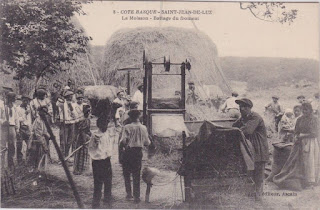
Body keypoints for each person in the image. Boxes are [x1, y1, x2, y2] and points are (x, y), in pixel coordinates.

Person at [273, 102, 319, 190]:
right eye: (303, 110)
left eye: (306, 110)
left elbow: (315, 133)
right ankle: (303, 180)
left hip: (310, 142)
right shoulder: (299, 119)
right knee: (300, 161)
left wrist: (304, 135)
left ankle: (311, 181)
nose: (305, 112)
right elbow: (296, 130)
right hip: (300, 142)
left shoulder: (315, 119)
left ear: (310, 110)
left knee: (310, 161)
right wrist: (296, 136)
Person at [232, 98, 269, 200]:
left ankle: (259, 195)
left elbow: (247, 131)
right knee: (250, 170)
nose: (241, 109)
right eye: (240, 107)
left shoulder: (255, 117)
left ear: (249, 108)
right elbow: (233, 126)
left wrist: (236, 130)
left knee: (258, 171)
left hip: (258, 147)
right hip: (250, 147)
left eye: (244, 107)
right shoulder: (243, 118)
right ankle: (251, 194)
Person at [119, 110, 151, 203]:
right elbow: (147, 142)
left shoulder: (127, 127)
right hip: (138, 152)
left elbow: (123, 141)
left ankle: (129, 194)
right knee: (136, 173)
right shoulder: (143, 127)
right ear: (138, 117)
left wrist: (124, 146)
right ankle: (137, 197)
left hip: (128, 151)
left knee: (126, 173)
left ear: (130, 117)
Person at [88, 116, 113, 208]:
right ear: (99, 126)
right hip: (98, 161)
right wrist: (95, 142)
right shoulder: (95, 135)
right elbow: (91, 148)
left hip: (106, 160)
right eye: (103, 125)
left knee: (108, 181)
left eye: (106, 125)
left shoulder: (107, 134)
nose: (105, 127)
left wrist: (109, 155)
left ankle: (107, 199)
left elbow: (109, 146)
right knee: (98, 182)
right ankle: (96, 202)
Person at [73, 93, 91, 175]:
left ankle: (81, 169)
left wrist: (90, 134)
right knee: (82, 152)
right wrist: (84, 140)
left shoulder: (86, 119)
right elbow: (82, 131)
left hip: (85, 137)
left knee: (82, 153)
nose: (89, 113)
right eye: (88, 112)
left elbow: (87, 130)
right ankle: (80, 170)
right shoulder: (84, 120)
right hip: (82, 138)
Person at [28, 106, 50, 172]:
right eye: (43, 113)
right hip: (36, 140)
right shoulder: (38, 121)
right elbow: (38, 135)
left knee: (41, 154)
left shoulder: (44, 120)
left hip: (41, 138)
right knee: (34, 154)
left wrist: (49, 136)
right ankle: (32, 168)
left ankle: (39, 168)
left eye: (46, 113)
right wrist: (44, 145)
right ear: (40, 113)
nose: (45, 114)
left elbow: (45, 131)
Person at [57, 90, 77, 157]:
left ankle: (66, 156)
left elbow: (75, 115)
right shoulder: (61, 104)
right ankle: (62, 157)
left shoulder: (74, 104)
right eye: (70, 96)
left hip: (71, 123)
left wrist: (71, 107)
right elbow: (60, 115)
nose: (71, 98)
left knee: (70, 141)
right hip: (64, 124)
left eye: (71, 96)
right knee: (63, 141)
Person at [16, 95, 32, 164]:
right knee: (19, 145)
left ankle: (28, 160)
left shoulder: (28, 109)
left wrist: (30, 128)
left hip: (28, 128)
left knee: (29, 145)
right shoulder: (18, 109)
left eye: (27, 101)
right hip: (21, 128)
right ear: (22, 101)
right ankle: (20, 160)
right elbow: (17, 119)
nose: (26, 102)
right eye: (24, 101)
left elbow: (30, 120)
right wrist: (24, 115)